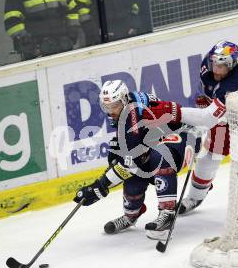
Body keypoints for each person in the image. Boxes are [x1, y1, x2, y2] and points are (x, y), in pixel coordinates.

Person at [143, 41, 238, 214]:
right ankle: (194, 197)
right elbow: (209, 92)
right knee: (208, 158)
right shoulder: (207, 67)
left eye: (222, 66)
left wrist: (174, 111)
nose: (216, 69)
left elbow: (207, 119)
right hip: (227, 117)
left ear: (232, 65)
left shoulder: (235, 83)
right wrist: (208, 100)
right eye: (215, 63)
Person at [73, 80, 200, 240]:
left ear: (124, 99)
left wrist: (100, 186)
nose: (111, 111)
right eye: (107, 107)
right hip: (160, 138)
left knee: (159, 157)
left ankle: (167, 214)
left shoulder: (132, 116)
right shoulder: (128, 107)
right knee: (129, 170)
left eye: (115, 105)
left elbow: (131, 163)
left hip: (183, 137)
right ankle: (131, 215)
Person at [3, 0, 79, 60]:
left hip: (64, 48)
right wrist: (27, 42)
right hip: (36, 54)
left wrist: (72, 33)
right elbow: (12, 19)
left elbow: (72, 10)